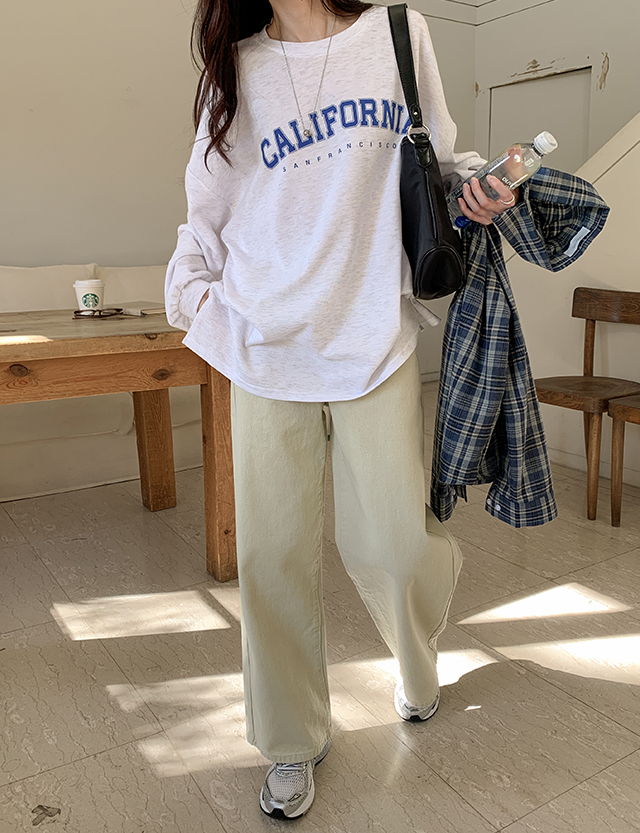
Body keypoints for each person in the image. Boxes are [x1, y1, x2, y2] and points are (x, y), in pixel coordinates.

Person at [165, 0, 519, 820]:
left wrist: (478, 189)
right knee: (273, 557)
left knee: (393, 541)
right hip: (265, 344)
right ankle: (290, 738)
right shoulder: (237, 67)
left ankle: (417, 657)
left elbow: (438, 160)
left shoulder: (398, 33)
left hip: (372, 332)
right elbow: (207, 209)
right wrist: (199, 300)